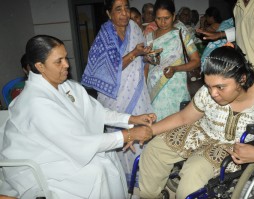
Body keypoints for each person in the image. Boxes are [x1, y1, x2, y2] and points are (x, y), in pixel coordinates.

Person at [0, 35, 156, 199]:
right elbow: (76, 142)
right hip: (40, 161)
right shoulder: (35, 102)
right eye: (58, 61)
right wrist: (128, 135)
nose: (67, 64)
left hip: (62, 148)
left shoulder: (66, 85)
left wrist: (131, 119)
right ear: (40, 66)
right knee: (96, 171)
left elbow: (96, 111)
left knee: (107, 156)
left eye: (65, 58)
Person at [139, 46, 254, 198]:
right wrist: (149, 131)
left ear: (242, 79)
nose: (213, 93)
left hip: (231, 146)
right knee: (154, 150)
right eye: (208, 86)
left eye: (220, 87)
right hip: (202, 131)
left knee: (192, 175)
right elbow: (184, 117)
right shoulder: (208, 92)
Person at [81, 0, 153, 184]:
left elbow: (142, 59)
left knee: (142, 131)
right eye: (118, 9)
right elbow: (108, 70)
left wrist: (148, 56)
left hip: (137, 92)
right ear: (108, 13)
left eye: (126, 8)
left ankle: (144, 176)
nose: (124, 13)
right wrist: (134, 54)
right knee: (121, 136)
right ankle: (124, 179)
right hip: (115, 97)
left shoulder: (135, 30)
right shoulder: (104, 37)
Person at [144, 0, 201, 121]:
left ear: (174, 16)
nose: (163, 22)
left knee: (177, 126)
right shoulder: (149, 37)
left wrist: (176, 68)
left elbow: (196, 61)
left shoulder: (181, 34)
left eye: (166, 18)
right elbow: (147, 67)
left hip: (176, 89)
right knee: (157, 126)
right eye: (159, 18)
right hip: (155, 90)